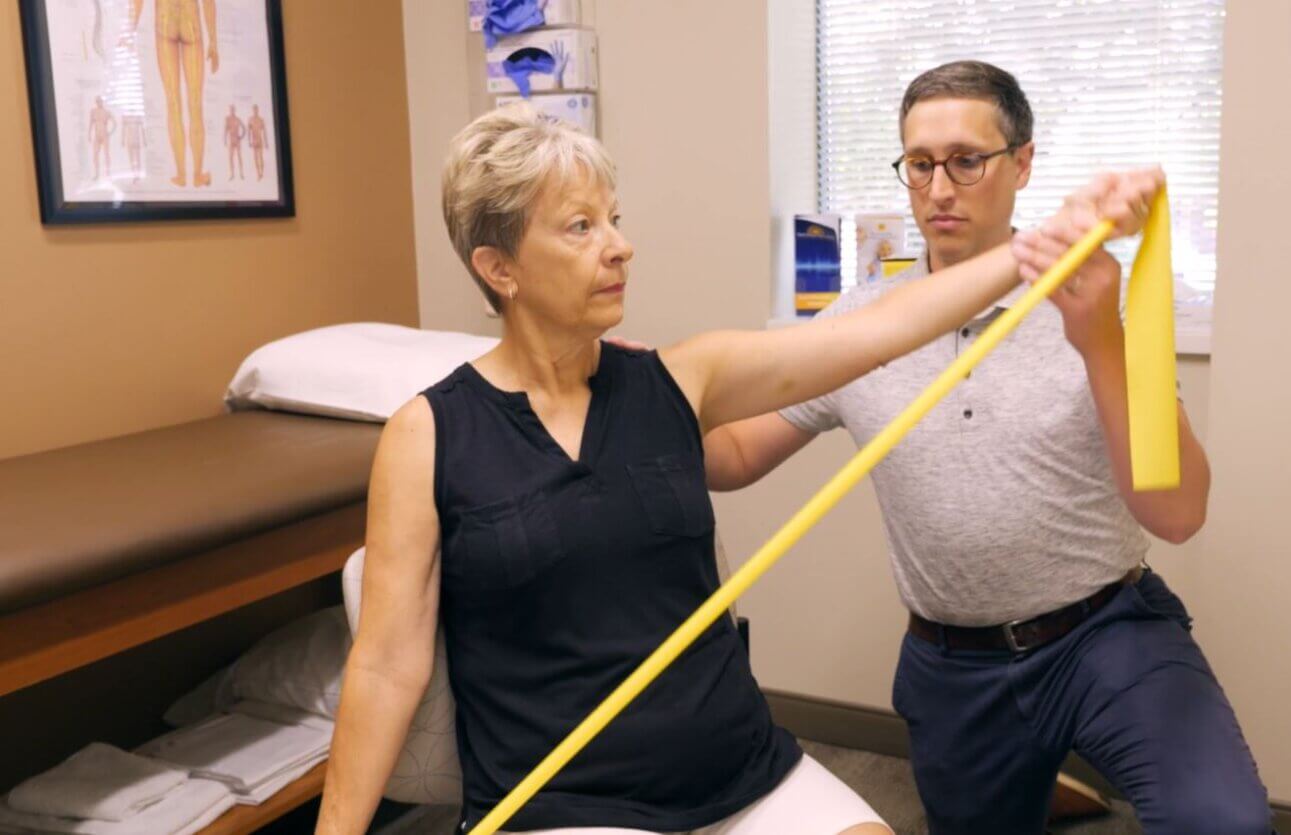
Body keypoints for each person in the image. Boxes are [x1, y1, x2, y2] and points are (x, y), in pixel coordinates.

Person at [313, 101, 1162, 834]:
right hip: (564, 799)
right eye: (581, 227)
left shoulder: (681, 379)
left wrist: (1043, 247)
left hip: (741, 768)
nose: (621, 247)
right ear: (498, 269)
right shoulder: (426, 436)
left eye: (614, 217)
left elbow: (873, 332)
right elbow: (387, 664)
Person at [703, 61, 1273, 834]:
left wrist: (1099, 338)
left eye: (967, 161)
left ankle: (1050, 763)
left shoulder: (1091, 294)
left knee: (1223, 824)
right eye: (920, 165)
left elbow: (1177, 512)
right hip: (953, 663)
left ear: (1023, 163)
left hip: (1105, 634)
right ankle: (1041, 776)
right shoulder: (862, 322)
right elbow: (735, 456)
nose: (939, 189)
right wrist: (614, 403)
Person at [125, 0, 219, 187]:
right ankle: (197, 175)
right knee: (195, 104)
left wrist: (130, 31)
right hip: (190, 22)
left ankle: (182, 174)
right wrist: (213, 40)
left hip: (165, 22)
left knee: (173, 103)